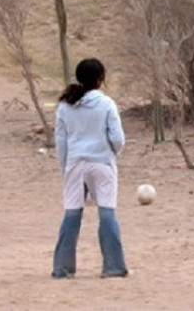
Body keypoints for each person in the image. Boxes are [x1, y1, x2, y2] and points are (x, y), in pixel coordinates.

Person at [51, 58, 128, 278]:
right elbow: (118, 138)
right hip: (101, 163)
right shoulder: (106, 104)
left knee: (72, 214)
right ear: (100, 79)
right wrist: (111, 153)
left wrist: (65, 166)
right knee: (107, 213)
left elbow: (61, 141)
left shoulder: (66, 105)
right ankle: (113, 266)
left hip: (75, 163)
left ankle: (62, 268)